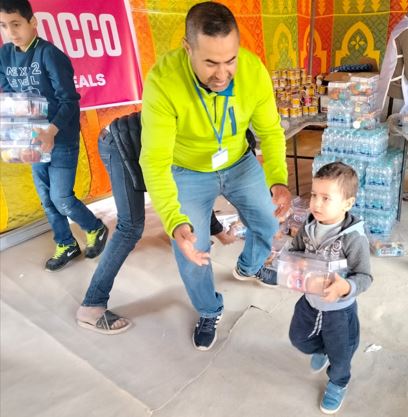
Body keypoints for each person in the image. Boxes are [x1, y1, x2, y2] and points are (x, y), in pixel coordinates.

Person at [139, 2, 292, 351]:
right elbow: (154, 160)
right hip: (187, 170)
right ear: (187, 47)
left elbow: (271, 132)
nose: (223, 74)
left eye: (230, 60)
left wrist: (279, 180)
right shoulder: (163, 81)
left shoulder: (252, 70)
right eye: (210, 63)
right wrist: (174, 221)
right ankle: (209, 309)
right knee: (192, 249)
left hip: (238, 162)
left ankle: (249, 267)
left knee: (269, 221)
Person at [75, 112, 244, 334]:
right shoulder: (202, 134)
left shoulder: (216, 132)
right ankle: (91, 305)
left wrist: (218, 231)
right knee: (130, 226)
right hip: (119, 142)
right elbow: (194, 193)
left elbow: (199, 190)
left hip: (141, 141)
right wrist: (220, 232)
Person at [0, 0, 107, 271]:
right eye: (3, 26)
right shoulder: (4, 55)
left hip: (61, 138)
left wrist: (51, 130)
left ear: (32, 22)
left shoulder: (50, 55)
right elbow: (8, 95)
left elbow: (70, 101)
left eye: (16, 24)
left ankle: (94, 227)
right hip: (33, 139)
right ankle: (66, 243)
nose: (10, 32)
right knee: (47, 199)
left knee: (61, 198)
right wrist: (16, 129)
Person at [286, 162, 372, 414]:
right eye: (314, 195)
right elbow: (294, 249)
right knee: (298, 339)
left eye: (326, 198)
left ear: (347, 203)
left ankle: (338, 382)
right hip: (310, 302)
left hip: (339, 311)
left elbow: (365, 276)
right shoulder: (308, 226)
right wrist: (290, 260)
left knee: (341, 354)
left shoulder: (354, 238)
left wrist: (346, 286)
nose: (316, 203)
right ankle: (321, 349)